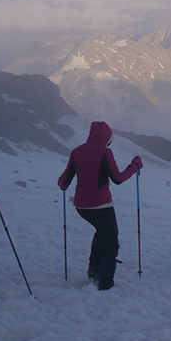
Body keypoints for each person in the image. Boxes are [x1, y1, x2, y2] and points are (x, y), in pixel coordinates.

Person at [58, 121, 141, 290]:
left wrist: (67, 183)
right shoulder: (105, 152)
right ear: (107, 137)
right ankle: (105, 282)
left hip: (81, 206)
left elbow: (63, 182)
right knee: (111, 242)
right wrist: (134, 166)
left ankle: (93, 270)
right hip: (101, 205)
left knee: (101, 233)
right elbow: (118, 178)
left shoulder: (76, 151)